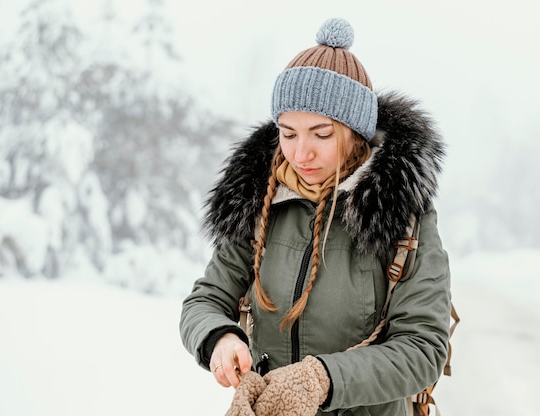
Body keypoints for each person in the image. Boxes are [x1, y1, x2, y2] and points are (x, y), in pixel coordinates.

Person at [180, 17, 451, 416]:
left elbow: (422, 348)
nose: (300, 153)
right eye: (288, 133)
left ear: (355, 132)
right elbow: (206, 299)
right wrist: (219, 338)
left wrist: (323, 379)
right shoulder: (259, 202)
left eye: (321, 134)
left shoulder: (402, 215)